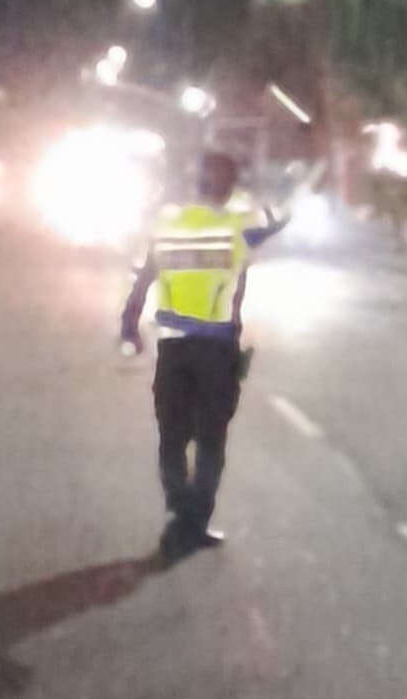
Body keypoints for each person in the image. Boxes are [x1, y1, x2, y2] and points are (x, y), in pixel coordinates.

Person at [118, 151, 290, 564]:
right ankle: (195, 522)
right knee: (211, 439)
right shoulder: (239, 225)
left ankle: (181, 512)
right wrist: (252, 192)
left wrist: (128, 323)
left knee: (172, 435)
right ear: (230, 184)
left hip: (173, 347)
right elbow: (282, 215)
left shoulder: (169, 223)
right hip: (216, 348)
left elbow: (145, 274)